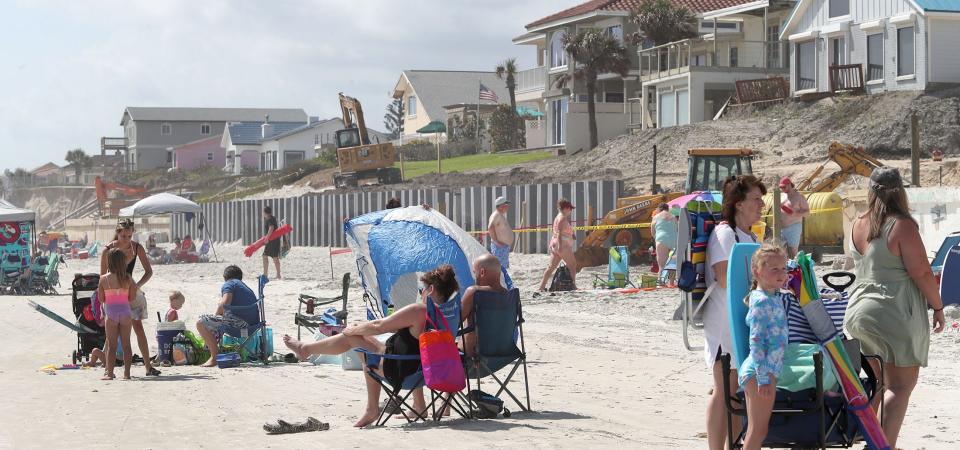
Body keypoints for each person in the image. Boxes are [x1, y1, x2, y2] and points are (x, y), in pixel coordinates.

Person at [282, 265, 460, 427]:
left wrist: (351, 329)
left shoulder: (420, 310)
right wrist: (358, 328)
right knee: (361, 334)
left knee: (355, 342)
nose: (420, 293)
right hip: (422, 369)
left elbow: (379, 326)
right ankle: (419, 405)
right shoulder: (447, 313)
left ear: (431, 290)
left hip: (400, 371)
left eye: (422, 290)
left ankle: (371, 409)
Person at [844, 167, 946, 448]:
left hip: (858, 312)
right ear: (900, 191)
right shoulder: (901, 225)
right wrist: (937, 307)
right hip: (892, 310)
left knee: (882, 383)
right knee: (901, 387)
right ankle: (881, 445)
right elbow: (922, 272)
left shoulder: (857, 223)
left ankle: (872, 438)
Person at [704, 175, 766, 450]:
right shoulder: (724, 234)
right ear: (738, 203)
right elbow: (723, 277)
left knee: (739, 390)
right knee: (724, 390)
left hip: (742, 323)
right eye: (756, 198)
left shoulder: (750, 235)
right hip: (723, 325)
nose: (762, 204)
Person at [738, 245, 789, 450]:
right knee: (757, 431)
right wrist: (763, 377)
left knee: (759, 430)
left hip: (767, 370)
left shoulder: (773, 297)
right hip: (759, 372)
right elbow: (756, 341)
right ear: (757, 271)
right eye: (773, 269)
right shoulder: (761, 302)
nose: (781, 274)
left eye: (783, 268)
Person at [100, 219, 160, 377]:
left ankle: (148, 367)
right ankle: (108, 369)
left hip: (130, 287)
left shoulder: (136, 248)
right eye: (123, 236)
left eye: (129, 235)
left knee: (138, 328)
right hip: (116, 293)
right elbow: (102, 275)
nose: (126, 239)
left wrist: (136, 285)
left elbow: (149, 271)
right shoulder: (108, 250)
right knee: (111, 334)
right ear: (117, 233)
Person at [196, 265, 261, 367]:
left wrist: (216, 316)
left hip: (240, 325)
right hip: (252, 327)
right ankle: (213, 353)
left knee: (200, 323)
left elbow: (224, 303)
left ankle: (214, 357)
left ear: (225, 277)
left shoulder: (229, 284)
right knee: (217, 321)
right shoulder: (244, 286)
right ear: (240, 277)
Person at [100, 248, 138, 380]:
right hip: (125, 312)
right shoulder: (128, 278)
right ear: (123, 263)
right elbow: (132, 297)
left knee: (112, 346)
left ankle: (109, 373)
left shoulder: (103, 279)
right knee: (126, 344)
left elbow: (101, 299)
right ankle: (127, 374)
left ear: (109, 262)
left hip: (111, 313)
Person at [459, 254, 507, 355]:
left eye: (474, 272)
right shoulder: (508, 295)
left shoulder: (474, 292)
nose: (474, 276)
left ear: (482, 272)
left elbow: (456, 322)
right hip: (502, 352)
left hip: (473, 355)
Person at [538, 199, 578, 291]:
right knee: (572, 265)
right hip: (562, 244)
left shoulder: (558, 217)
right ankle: (573, 286)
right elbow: (560, 232)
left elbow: (561, 230)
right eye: (570, 209)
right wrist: (560, 246)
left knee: (551, 267)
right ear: (566, 208)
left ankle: (541, 286)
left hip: (555, 243)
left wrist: (572, 234)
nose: (570, 211)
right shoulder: (562, 218)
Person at [778, 177, 809, 258]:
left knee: (793, 252)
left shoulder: (799, 197)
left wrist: (796, 213)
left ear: (789, 185)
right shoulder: (782, 196)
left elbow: (807, 213)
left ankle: (794, 269)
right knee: (780, 250)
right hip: (781, 227)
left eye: (784, 187)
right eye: (780, 187)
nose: (782, 189)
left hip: (793, 227)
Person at [651, 203, 678, 283]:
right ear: (667, 209)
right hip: (674, 239)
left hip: (662, 239)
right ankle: (671, 283)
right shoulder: (673, 217)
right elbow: (677, 229)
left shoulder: (656, 217)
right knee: (672, 264)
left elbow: (652, 231)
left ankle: (661, 281)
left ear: (659, 209)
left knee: (662, 265)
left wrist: (656, 239)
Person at [487, 196, 514, 270]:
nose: (507, 206)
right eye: (506, 204)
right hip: (499, 247)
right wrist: (497, 242)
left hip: (502, 247)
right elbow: (490, 227)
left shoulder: (499, 215)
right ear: (501, 206)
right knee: (499, 269)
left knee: (503, 268)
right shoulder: (496, 215)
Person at [262, 206, 282, 279]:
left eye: (263, 212)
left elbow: (271, 228)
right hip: (273, 240)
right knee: (269, 256)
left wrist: (267, 238)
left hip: (272, 241)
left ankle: (274, 275)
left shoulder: (270, 219)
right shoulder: (271, 218)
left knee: (273, 257)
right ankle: (272, 274)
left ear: (265, 213)